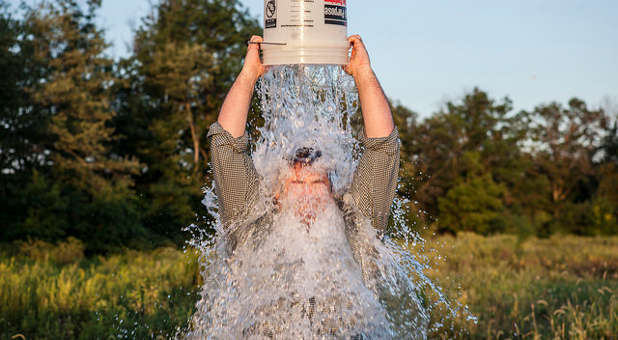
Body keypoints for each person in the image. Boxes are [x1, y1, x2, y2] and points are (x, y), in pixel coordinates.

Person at [204, 35, 414, 338]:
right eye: (297, 182)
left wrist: (363, 74)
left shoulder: (357, 230)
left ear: (333, 191)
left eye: (316, 182)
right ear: (276, 194)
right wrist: (249, 74)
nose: (307, 191)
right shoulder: (250, 228)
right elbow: (225, 146)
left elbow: (383, 149)